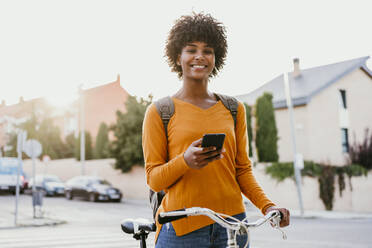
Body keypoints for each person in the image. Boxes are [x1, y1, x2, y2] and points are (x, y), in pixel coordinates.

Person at [142, 13, 290, 248]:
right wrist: (185, 161)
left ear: (215, 57)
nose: (199, 56)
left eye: (207, 50)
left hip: (233, 227)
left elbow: (242, 170)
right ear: (178, 56)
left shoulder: (234, 109)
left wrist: (268, 206)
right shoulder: (160, 111)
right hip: (181, 228)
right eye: (191, 49)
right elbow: (154, 179)